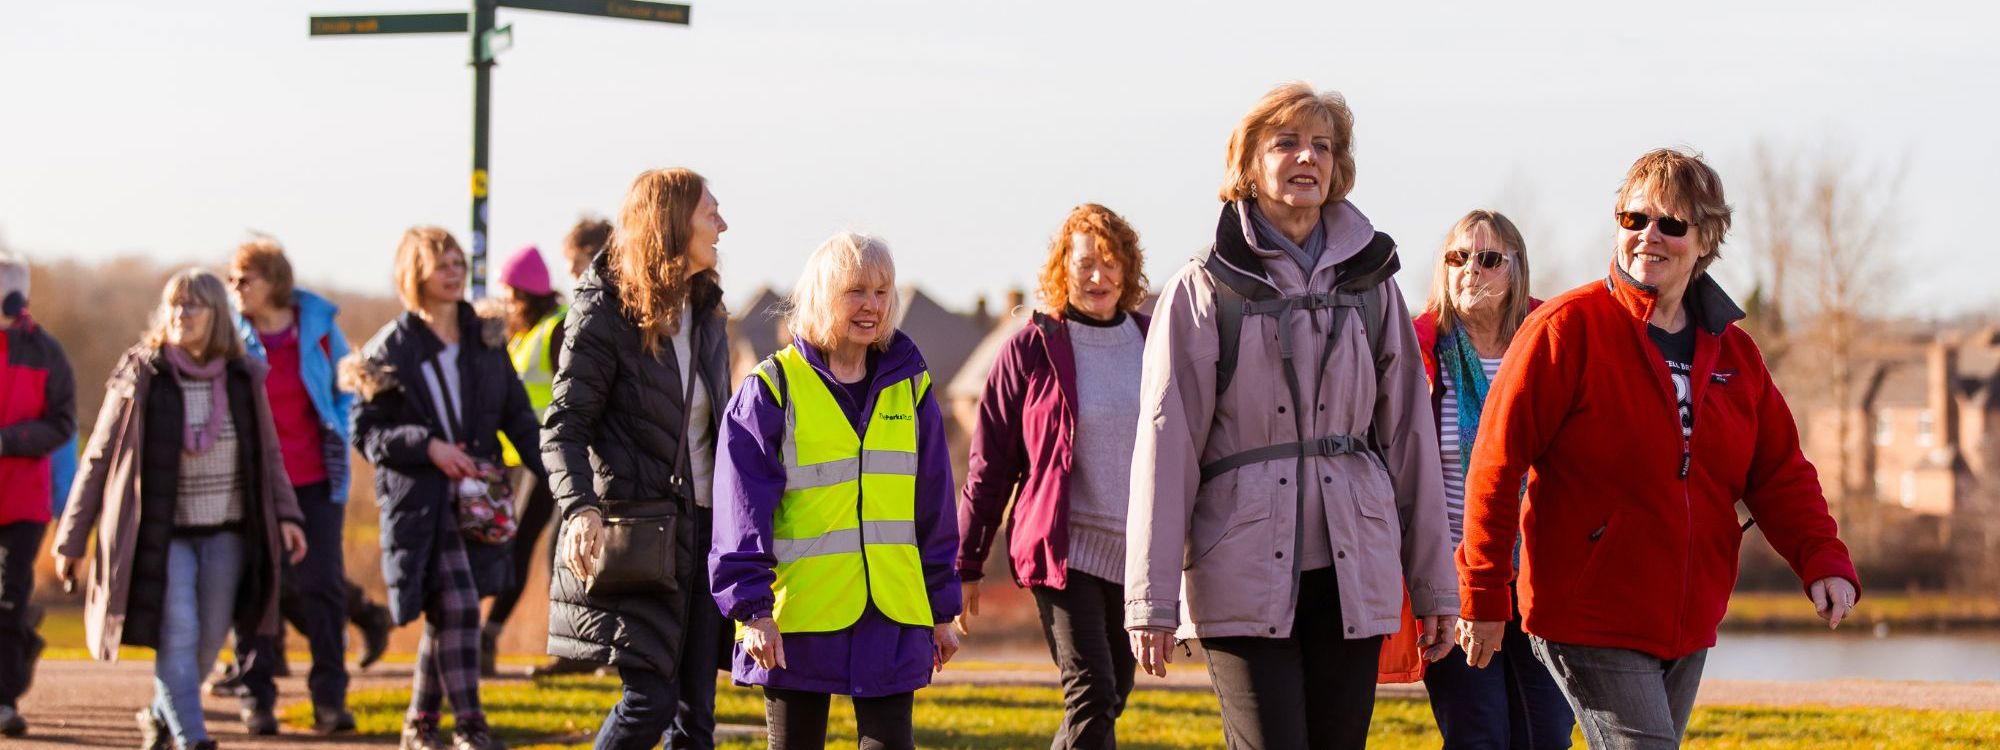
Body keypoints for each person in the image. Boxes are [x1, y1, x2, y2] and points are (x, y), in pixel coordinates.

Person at [1456, 148, 1861, 750]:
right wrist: (1484, 592)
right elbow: (1496, 461)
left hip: (1688, 620)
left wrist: (1822, 558)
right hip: (1587, 613)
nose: (1649, 236)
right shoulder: (1567, 330)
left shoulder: (1735, 353)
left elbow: (1778, 472)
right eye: (1633, 219)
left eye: (1671, 224)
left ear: (1705, 241)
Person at [1124, 82, 1458, 750]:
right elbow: (1166, 448)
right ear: (1248, 164)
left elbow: (1411, 441)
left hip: (1356, 569)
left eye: (1323, 146)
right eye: (1286, 143)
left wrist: (1434, 588)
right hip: (1239, 570)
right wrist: (1150, 599)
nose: (1307, 157)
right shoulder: (1202, 288)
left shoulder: (1374, 284)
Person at [711, 232, 962, 750]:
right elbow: (741, 513)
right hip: (798, 618)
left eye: (882, 291)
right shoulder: (771, 389)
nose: (872, 305)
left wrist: (941, 609)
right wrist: (753, 610)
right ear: (823, 295)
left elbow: (932, 505)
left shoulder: (910, 385)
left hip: (891, 611)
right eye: (856, 291)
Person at [54, 269, 308, 750]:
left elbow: (269, 456)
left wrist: (289, 515)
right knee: (180, 630)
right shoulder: (141, 373)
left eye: (192, 306)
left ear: (217, 317)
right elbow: (98, 458)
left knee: (210, 640)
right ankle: (193, 738)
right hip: (161, 536)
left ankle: (159, 713)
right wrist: (71, 538)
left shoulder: (243, 378)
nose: (180, 315)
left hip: (227, 532)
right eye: (174, 304)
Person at [543, 168, 731, 750]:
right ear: (673, 224)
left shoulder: (706, 310)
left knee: (695, 718)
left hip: (704, 536)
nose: (723, 226)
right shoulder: (604, 311)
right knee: (649, 703)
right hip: (639, 537)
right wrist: (578, 509)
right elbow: (564, 427)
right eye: (710, 214)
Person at [955, 204, 1150, 749]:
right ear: (1063, 269)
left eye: (1111, 263)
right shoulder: (1031, 347)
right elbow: (989, 466)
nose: (1098, 276)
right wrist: (967, 561)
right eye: (1085, 263)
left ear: (1128, 269)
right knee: (1091, 689)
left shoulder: (1151, 341)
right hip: (1063, 551)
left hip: (1134, 555)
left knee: (1112, 693)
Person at [342, 227, 544, 750]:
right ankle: (471, 726)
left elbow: (518, 416)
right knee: (456, 607)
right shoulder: (392, 348)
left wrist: (562, 474)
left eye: (458, 262)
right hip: (421, 505)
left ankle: (419, 725)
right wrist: (427, 446)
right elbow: (366, 431)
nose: (454, 272)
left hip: (480, 501)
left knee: (450, 611)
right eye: (442, 264)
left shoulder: (485, 339)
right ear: (416, 274)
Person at [1402, 211, 1571, 748]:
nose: (1471, 270)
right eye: (1458, 257)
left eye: (1489, 258)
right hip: (1454, 580)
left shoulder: (1551, 345)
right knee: (1479, 735)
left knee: (1545, 735)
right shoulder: (1416, 352)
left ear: (1516, 270)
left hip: (1543, 580)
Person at [216, 237, 384, 735]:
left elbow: (346, 389)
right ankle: (256, 696)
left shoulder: (317, 330)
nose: (235, 287)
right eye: (232, 279)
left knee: (323, 588)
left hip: (314, 480)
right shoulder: (230, 334)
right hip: (251, 484)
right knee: (255, 589)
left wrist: (340, 424)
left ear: (274, 282)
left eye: (245, 278)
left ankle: (330, 699)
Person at [482, 244, 569, 678]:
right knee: (513, 546)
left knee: (536, 547)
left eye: (511, 294)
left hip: (551, 459)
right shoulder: (522, 333)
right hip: (519, 460)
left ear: (527, 294)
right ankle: (490, 634)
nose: (507, 303)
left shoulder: (556, 329)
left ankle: (493, 635)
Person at [0, 253, 76, 738]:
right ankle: (25, 635)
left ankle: (4, 700)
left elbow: (62, 424)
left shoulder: (47, 352)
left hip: (23, 504)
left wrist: (6, 442)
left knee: (5, 597)